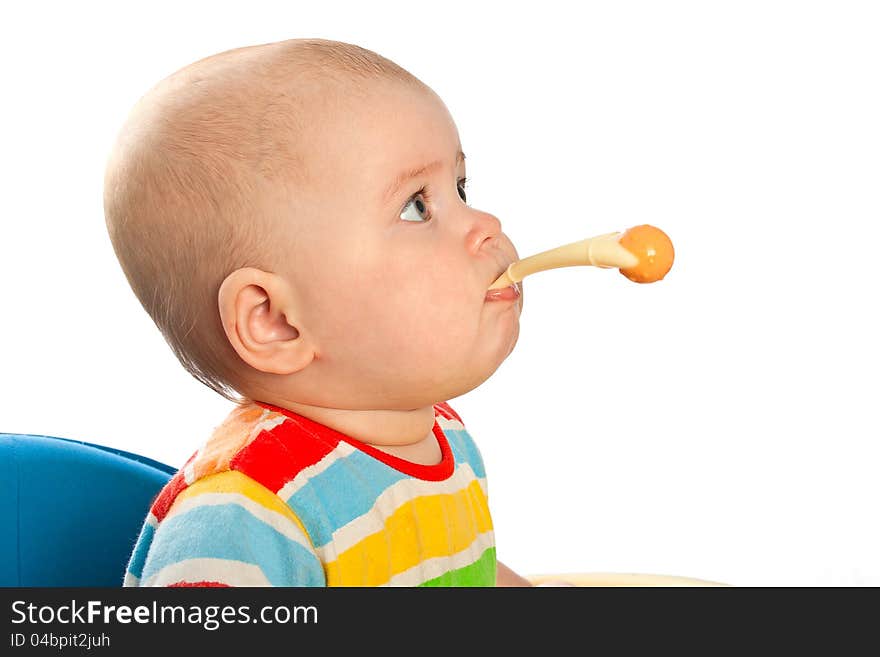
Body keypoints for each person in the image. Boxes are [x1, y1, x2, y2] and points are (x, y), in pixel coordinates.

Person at [106, 37, 531, 586]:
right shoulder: (251, 514)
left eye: (461, 187)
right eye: (415, 206)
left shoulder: (441, 436)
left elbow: (457, 574)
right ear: (275, 321)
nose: (486, 224)